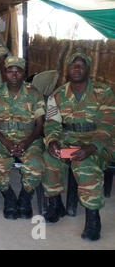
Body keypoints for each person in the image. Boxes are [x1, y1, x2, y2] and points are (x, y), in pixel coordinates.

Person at [43, 52, 114, 241]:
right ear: (67, 70)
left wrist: (91, 148)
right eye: (73, 65)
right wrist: (52, 141)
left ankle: (93, 218)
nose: (77, 68)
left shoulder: (104, 92)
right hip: (68, 139)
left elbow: (108, 125)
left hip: (97, 143)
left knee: (85, 164)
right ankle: (55, 205)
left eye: (81, 65)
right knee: (50, 157)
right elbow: (52, 122)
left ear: (88, 70)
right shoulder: (57, 95)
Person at [0, 56, 45, 220]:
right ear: (4, 73)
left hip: (29, 139)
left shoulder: (34, 93)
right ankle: (9, 197)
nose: (14, 75)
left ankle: (25, 198)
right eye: (9, 71)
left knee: (36, 165)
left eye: (18, 71)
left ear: (23, 73)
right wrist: (5, 142)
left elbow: (40, 125)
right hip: (1, 138)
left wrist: (26, 143)